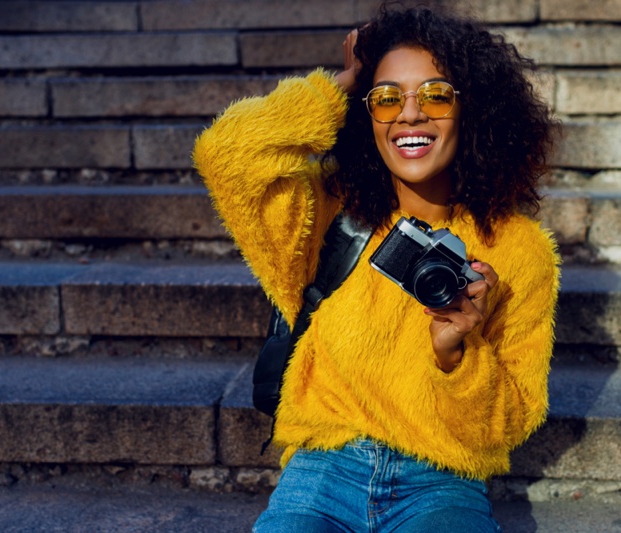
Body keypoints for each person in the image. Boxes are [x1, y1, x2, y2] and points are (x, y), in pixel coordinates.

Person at [193, 3, 560, 531]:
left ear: (473, 109)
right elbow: (225, 152)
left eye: (435, 94)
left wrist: (457, 354)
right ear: (366, 113)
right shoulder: (322, 215)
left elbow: (509, 423)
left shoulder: (519, 250)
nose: (410, 114)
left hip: (442, 479)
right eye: (387, 99)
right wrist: (338, 86)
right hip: (322, 471)